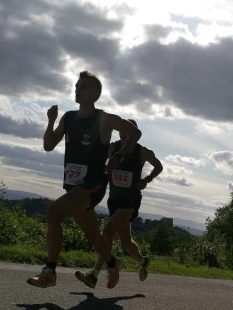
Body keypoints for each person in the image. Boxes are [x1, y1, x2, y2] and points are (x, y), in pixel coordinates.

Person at [27, 71, 142, 288]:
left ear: (96, 93)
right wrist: (51, 121)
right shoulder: (68, 117)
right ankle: (113, 263)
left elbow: (135, 133)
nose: (78, 90)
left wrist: (118, 155)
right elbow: (49, 145)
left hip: (92, 185)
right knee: (93, 237)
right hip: (74, 186)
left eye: (84, 87)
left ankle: (49, 271)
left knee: (53, 212)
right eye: (77, 86)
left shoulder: (104, 119)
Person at [75, 119, 163, 289]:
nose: (124, 140)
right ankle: (143, 260)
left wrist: (147, 179)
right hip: (114, 200)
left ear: (134, 136)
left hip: (130, 201)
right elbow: (98, 159)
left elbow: (158, 166)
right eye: (122, 135)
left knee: (107, 232)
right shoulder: (113, 149)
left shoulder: (142, 152)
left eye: (128, 136)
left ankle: (96, 274)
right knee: (126, 242)